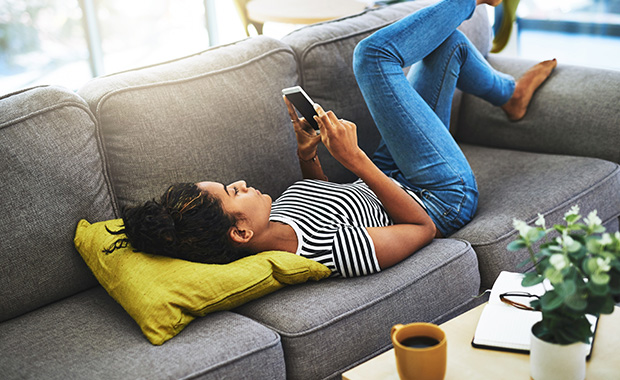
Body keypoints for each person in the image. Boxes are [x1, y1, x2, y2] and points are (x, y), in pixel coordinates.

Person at [107, 0, 556, 277]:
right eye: (231, 192)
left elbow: (320, 197)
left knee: (448, 47)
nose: (240, 182)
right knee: (373, 57)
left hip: (393, 172)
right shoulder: (330, 253)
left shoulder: (270, 216)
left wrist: (310, 155)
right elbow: (422, 228)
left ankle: (511, 95)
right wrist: (357, 160)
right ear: (241, 231)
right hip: (440, 196)